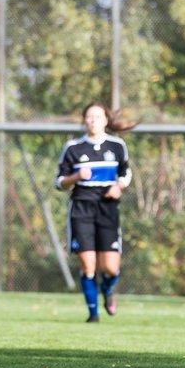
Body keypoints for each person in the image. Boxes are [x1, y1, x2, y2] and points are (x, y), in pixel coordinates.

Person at [55, 102, 134, 322]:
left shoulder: (117, 146)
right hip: (81, 208)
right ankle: (93, 314)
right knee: (88, 266)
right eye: (89, 117)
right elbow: (59, 182)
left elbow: (126, 174)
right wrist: (76, 177)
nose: (93, 121)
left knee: (110, 267)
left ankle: (108, 291)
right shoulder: (73, 148)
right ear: (84, 121)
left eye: (98, 117)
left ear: (106, 121)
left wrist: (118, 187)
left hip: (107, 209)